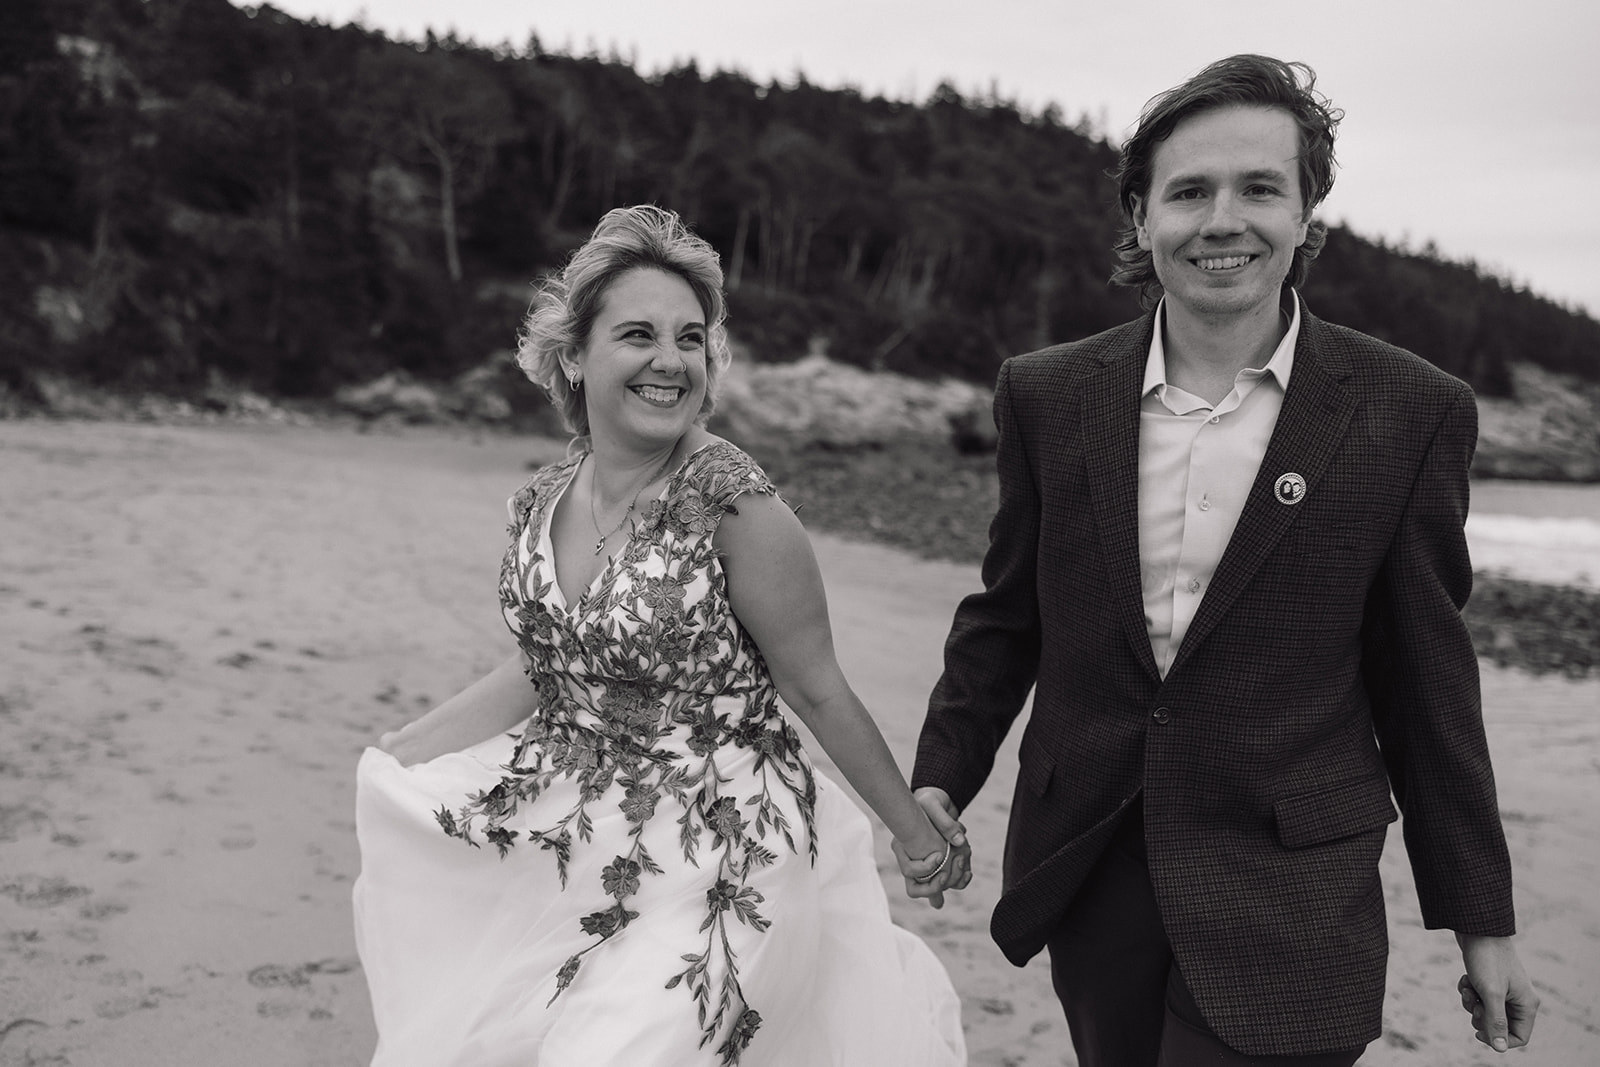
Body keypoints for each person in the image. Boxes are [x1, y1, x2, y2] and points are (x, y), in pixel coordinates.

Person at [906, 54, 1538, 1065]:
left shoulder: (1411, 409)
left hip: (1293, 881)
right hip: (1093, 859)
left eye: (1259, 189)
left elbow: (1426, 676)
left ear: (1306, 213)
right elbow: (1008, 613)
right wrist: (941, 775)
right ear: (1141, 215)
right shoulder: (1046, 394)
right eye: (1189, 191)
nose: (1222, 221)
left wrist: (1481, 917)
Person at [352, 205, 967, 1066]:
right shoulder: (543, 498)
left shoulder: (734, 503)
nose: (670, 360)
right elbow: (550, 663)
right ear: (574, 354)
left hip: (727, 850)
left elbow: (816, 685)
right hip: (578, 840)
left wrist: (914, 832)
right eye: (638, 334)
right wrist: (408, 750)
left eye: (690, 338)